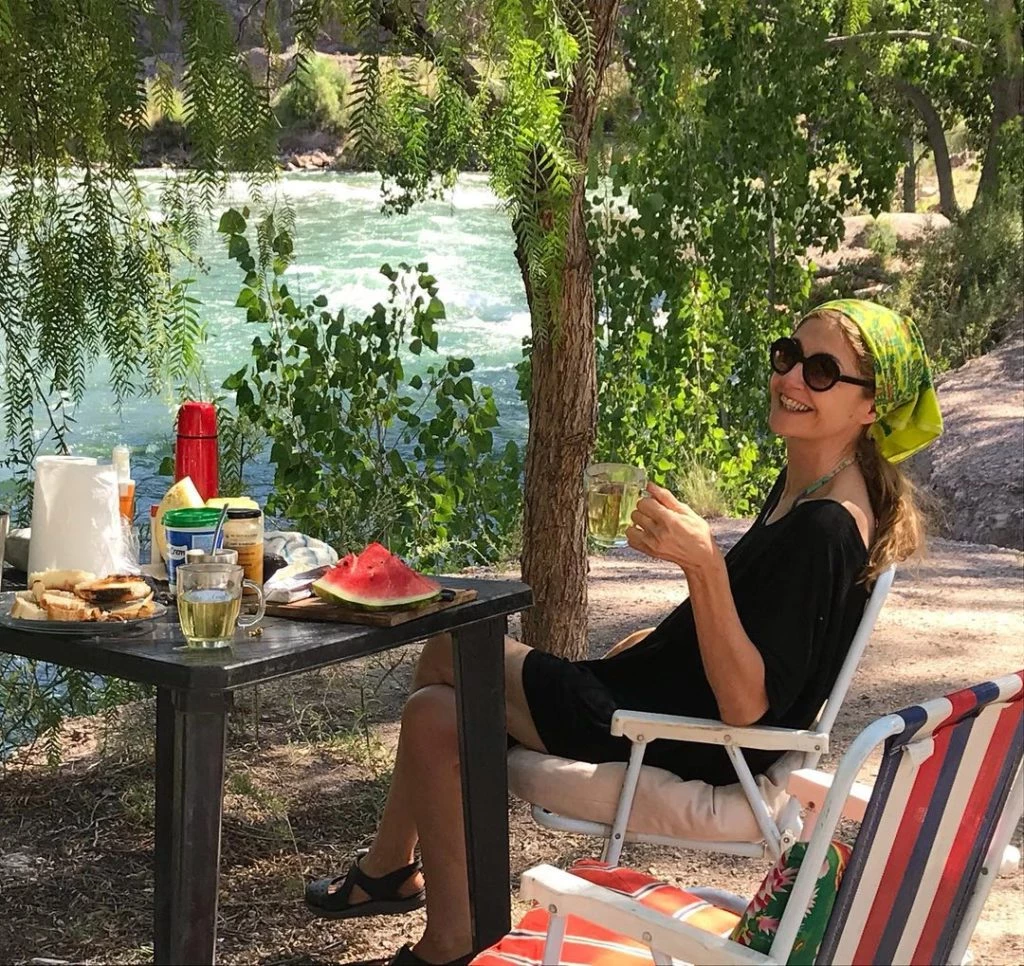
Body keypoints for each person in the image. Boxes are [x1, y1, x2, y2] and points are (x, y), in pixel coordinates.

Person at [303, 299, 943, 965]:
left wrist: (702, 564)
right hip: (664, 704)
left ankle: (394, 879)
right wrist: (659, 640)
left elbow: (748, 706)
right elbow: (766, 630)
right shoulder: (812, 484)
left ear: (871, 406)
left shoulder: (826, 527)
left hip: (685, 737)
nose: (791, 378)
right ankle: (444, 932)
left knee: (450, 647)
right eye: (788, 356)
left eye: (821, 371)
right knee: (435, 714)